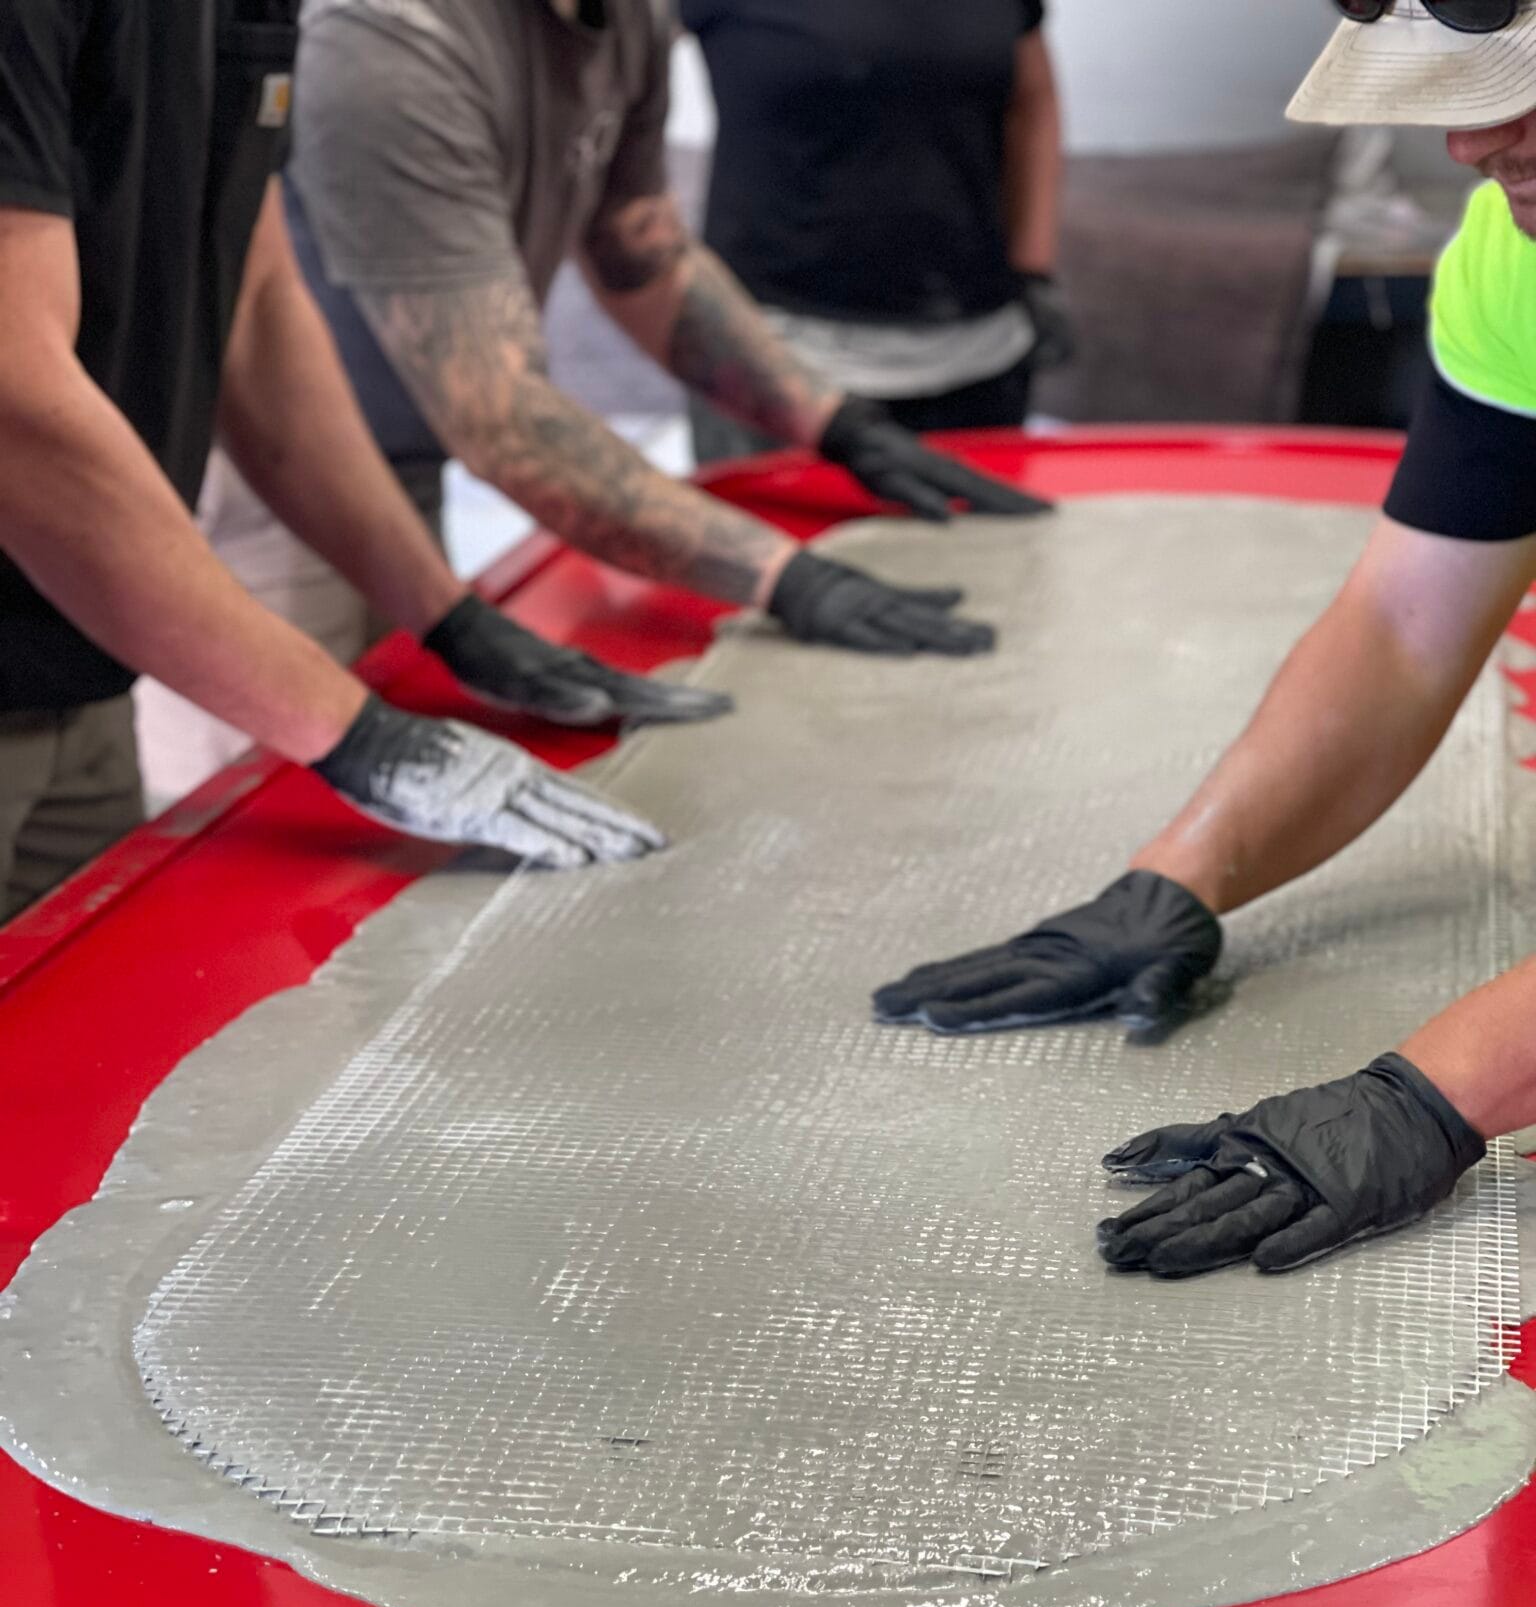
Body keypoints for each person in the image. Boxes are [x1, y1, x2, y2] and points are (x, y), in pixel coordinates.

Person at [874, 0, 1536, 1281]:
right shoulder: (1515, 263)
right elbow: (1408, 625)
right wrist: (1183, 875)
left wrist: (1437, 1092)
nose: (1465, 145)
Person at [0, 0, 685, 926]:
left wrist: (448, 617)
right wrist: (359, 736)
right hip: (48, 607)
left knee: (79, 1034)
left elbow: (259, 305)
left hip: (85, 659)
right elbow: (16, 404)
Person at [279, 0, 1050, 676]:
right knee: (306, 769)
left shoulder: (625, 16)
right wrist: (786, 578)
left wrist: (837, 424)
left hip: (404, 450)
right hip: (283, 475)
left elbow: (644, 258)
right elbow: (499, 415)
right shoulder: (387, 40)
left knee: (408, 716)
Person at [680, 0, 1074, 468]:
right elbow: (607, 70)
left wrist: (1033, 269)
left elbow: (1031, 101)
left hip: (976, 356)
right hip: (777, 360)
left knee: (988, 537)